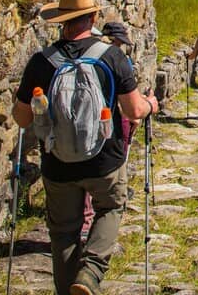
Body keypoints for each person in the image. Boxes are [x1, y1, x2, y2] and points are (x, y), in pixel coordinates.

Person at [12, 0, 159, 295]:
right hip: (104, 159)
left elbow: (23, 119)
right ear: (93, 16)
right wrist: (151, 105)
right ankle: (90, 274)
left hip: (57, 161)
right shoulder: (112, 56)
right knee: (110, 208)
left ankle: (67, 289)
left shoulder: (41, 62)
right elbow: (133, 110)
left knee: (63, 232)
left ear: (61, 21)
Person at [82, 23, 138, 238]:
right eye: (120, 42)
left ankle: (85, 216)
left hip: (77, 126)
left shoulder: (70, 55)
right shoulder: (115, 59)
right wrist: (145, 108)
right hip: (110, 123)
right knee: (111, 165)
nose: (121, 46)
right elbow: (131, 105)